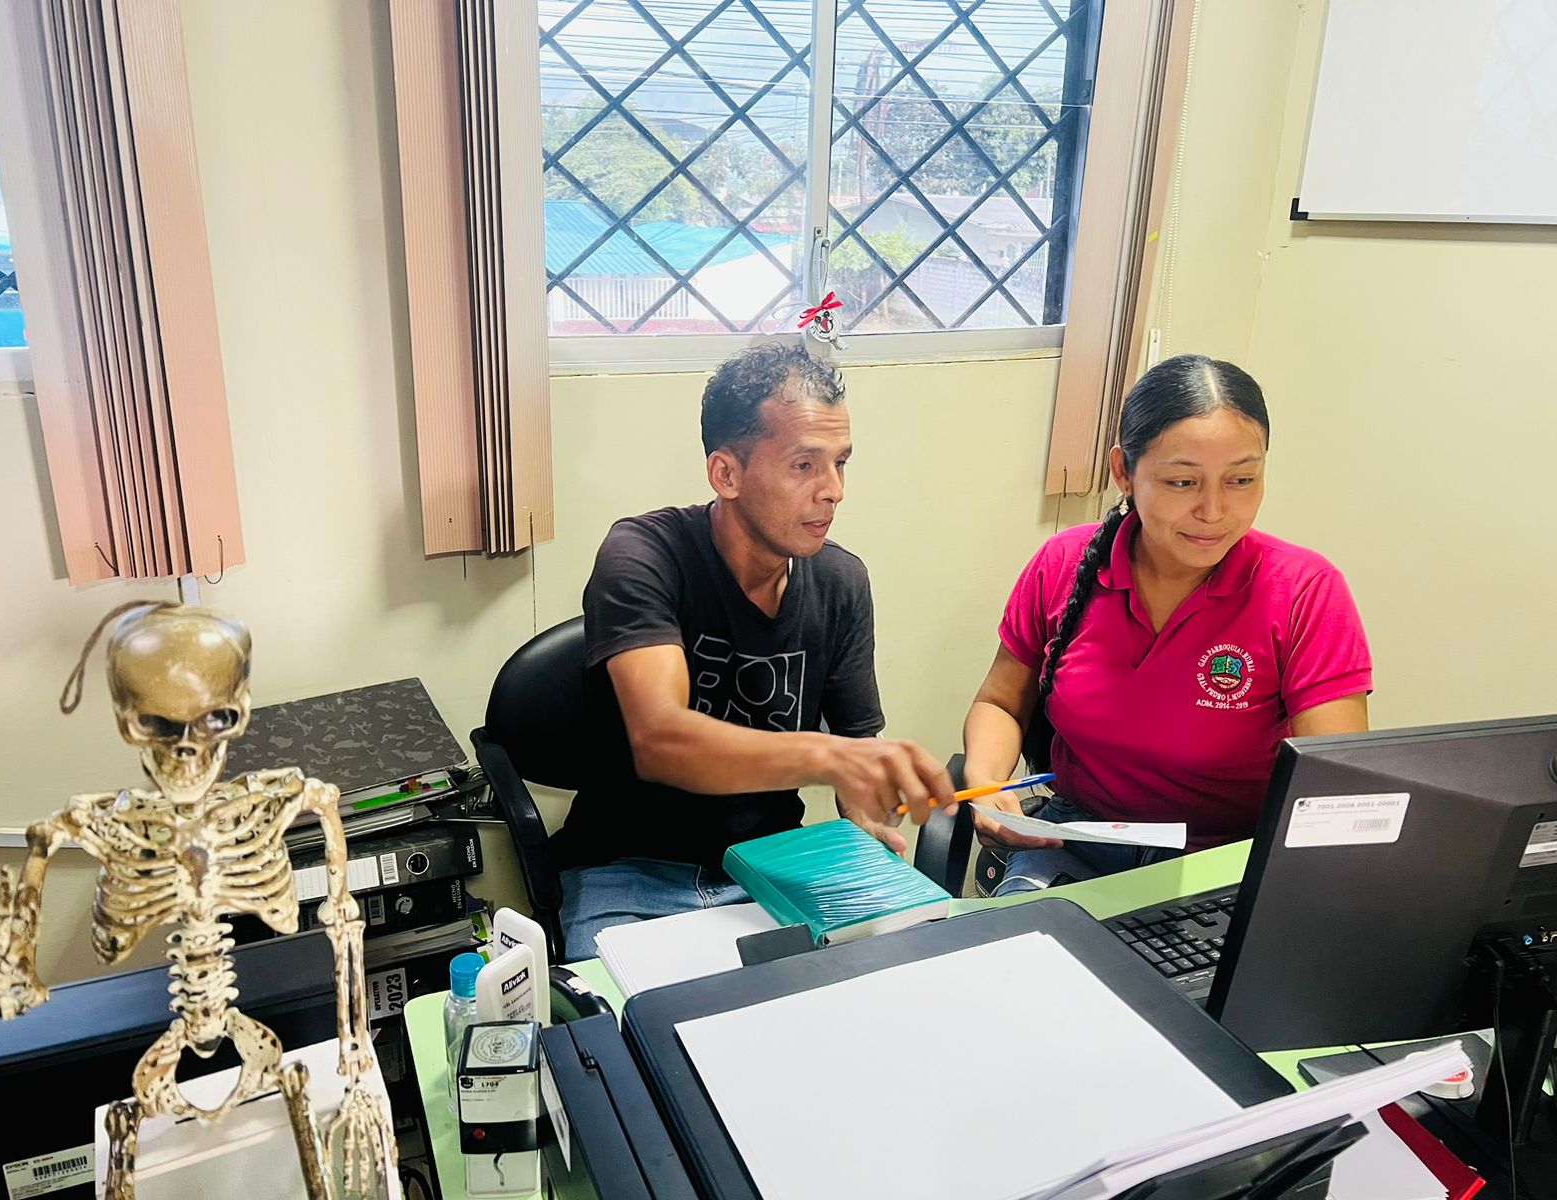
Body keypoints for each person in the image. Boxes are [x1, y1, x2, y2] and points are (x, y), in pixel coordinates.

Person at [552, 342, 954, 960]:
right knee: (643, 1017)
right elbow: (661, 740)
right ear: (726, 475)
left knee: (894, 978)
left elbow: (858, 747)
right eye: (804, 465)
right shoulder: (644, 554)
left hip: (775, 865)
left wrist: (866, 819)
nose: (834, 491)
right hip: (629, 870)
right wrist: (830, 757)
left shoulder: (842, 582)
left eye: (841, 464)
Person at [963, 354, 1371, 895]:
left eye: (1242, 479)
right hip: (1075, 843)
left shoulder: (1304, 591)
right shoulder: (1063, 563)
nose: (1214, 510)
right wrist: (985, 783)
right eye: (1182, 481)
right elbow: (1000, 702)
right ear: (1123, 472)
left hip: (1226, 865)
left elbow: (1336, 789)